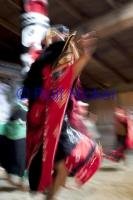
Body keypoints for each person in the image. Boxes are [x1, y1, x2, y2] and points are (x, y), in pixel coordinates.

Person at [22, 25, 102, 200]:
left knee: (65, 161)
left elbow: (66, 80)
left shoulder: (62, 60)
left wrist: (85, 55)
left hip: (56, 122)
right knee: (53, 165)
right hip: (40, 122)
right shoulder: (41, 62)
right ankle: (49, 194)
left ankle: (50, 196)